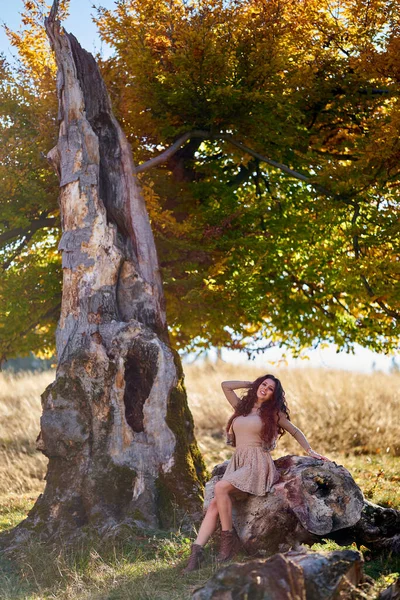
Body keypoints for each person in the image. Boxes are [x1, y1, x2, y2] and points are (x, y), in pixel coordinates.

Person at [183, 374, 329, 573]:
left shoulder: (273, 414)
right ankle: (196, 554)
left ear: (273, 395)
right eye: (264, 384)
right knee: (215, 504)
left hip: (257, 464)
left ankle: (228, 542)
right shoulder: (242, 407)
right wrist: (252, 384)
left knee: (220, 487)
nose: (265, 389)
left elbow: (295, 431)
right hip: (239, 463)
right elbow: (225, 385)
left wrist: (310, 451)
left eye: (270, 389)